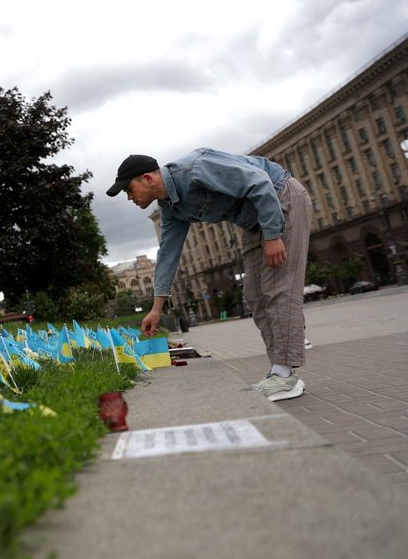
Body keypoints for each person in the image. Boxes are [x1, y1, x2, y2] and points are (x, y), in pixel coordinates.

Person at [107, 149, 312, 402]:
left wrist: (272, 235)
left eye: (129, 190)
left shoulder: (196, 168)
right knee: (256, 295)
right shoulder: (170, 208)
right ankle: (278, 371)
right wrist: (156, 308)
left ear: (147, 179)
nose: (129, 198)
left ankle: (285, 375)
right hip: (252, 220)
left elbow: (258, 181)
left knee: (278, 288)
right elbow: (168, 255)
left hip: (280, 199)